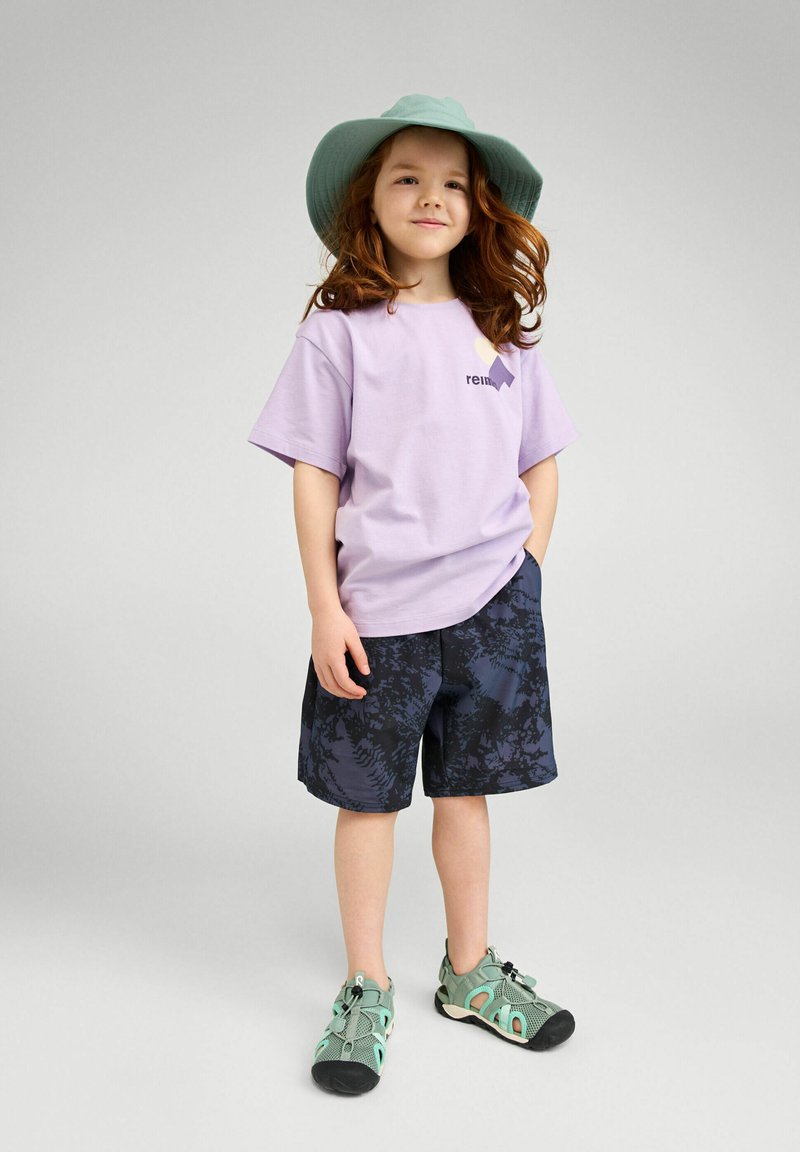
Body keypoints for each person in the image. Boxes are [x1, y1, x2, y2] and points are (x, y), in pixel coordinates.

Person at [247, 94, 580, 1096]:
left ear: (479, 209)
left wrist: (527, 567)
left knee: (465, 793)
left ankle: (469, 972)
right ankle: (365, 985)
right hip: (375, 619)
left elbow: (542, 461)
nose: (431, 197)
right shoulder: (338, 335)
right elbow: (313, 473)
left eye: (452, 184)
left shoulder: (501, 335)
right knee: (367, 802)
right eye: (407, 178)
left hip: (492, 613)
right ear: (370, 201)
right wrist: (324, 606)